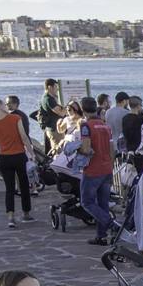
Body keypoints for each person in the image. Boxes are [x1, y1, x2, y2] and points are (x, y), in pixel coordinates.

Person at [0, 99, 38, 228]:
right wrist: (31, 153)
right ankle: (26, 214)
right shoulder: (15, 118)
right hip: (19, 156)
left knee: (9, 189)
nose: (7, 106)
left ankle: (11, 217)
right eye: (4, 104)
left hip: (5, 158)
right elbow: (23, 136)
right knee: (24, 186)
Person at [76, 97, 116, 246]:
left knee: (87, 202)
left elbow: (86, 149)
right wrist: (110, 166)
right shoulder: (105, 126)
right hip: (106, 168)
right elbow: (112, 149)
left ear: (83, 109)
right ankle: (101, 236)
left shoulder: (86, 126)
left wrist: (76, 148)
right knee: (103, 203)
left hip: (93, 169)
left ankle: (110, 223)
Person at [39, 79, 67, 151]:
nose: (57, 89)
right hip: (54, 130)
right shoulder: (48, 99)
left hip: (56, 128)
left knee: (60, 150)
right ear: (49, 87)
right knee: (58, 151)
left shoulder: (51, 98)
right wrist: (68, 105)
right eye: (55, 86)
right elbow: (61, 113)